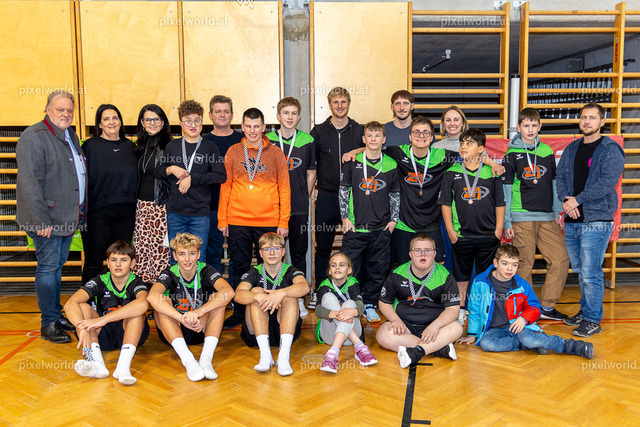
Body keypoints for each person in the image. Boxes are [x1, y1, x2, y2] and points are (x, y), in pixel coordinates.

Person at [16, 90, 87, 343]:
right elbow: (29, 183)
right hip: (46, 221)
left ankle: (54, 315)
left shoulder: (70, 134)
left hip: (66, 218)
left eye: (69, 110)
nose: (66, 114)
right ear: (48, 110)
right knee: (48, 268)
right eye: (60, 109)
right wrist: (41, 221)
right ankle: (48, 324)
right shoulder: (33, 136)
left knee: (56, 268)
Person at [556, 103, 625, 337]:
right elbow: (561, 178)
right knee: (581, 270)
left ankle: (593, 319)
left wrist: (577, 200)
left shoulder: (610, 149)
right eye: (584, 117)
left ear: (602, 122)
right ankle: (586, 311)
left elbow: (607, 183)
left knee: (590, 272)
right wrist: (567, 201)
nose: (587, 121)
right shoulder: (572, 148)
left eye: (592, 118)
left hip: (596, 220)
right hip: (573, 219)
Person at [218, 108, 291, 328]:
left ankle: (270, 310)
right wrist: (223, 219)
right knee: (239, 265)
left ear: (264, 127)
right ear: (242, 127)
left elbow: (284, 188)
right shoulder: (233, 151)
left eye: (256, 126)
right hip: (237, 220)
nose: (252, 131)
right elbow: (226, 186)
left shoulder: (276, 153)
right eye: (248, 126)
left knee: (269, 266)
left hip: (268, 220)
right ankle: (240, 311)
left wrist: (283, 221)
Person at [457, 244, 594, 359]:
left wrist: (523, 319)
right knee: (487, 344)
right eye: (505, 263)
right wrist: (472, 334)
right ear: (495, 263)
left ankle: (570, 346)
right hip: (494, 330)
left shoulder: (522, 286)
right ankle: (525, 344)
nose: (509, 269)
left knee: (529, 338)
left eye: (514, 265)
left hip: (518, 326)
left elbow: (535, 308)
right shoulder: (480, 281)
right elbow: (474, 310)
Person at [502, 108, 570, 320]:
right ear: (519, 127)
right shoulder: (510, 155)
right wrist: (507, 221)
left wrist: (557, 211)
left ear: (540, 126)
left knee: (560, 259)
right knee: (524, 263)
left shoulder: (547, 151)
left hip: (547, 216)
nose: (530, 129)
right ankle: (528, 308)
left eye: (534, 125)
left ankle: (547, 306)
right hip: (521, 217)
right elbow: (505, 189)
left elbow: (554, 183)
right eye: (526, 125)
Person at [439, 128, 505, 323]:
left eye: (469, 143)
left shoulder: (492, 172)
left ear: (481, 149)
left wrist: (498, 230)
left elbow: (500, 203)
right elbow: (445, 204)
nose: (463, 147)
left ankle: (485, 308)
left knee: (487, 275)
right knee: (461, 275)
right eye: (462, 143)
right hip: (462, 235)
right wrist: (450, 230)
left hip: (488, 235)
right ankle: (460, 310)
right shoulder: (451, 173)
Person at [148, 233, 234, 381]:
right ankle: (188, 360)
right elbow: (152, 296)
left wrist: (199, 312)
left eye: (192, 253)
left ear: (199, 254)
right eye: (182, 254)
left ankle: (206, 359)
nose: (187, 259)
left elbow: (229, 292)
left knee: (218, 299)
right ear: (175, 256)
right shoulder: (169, 273)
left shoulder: (206, 270)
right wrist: (180, 318)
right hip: (174, 328)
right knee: (161, 302)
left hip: (200, 327)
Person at [64, 240, 149, 385]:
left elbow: (143, 304)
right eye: (113, 260)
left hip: (128, 334)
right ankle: (97, 365)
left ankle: (123, 368)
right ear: (108, 263)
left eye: (124, 260)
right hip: (102, 335)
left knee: (137, 313)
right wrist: (81, 327)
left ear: (133, 263)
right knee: (83, 307)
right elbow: (70, 304)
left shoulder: (136, 282)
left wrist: (103, 319)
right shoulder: (100, 280)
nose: (118, 264)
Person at [339, 121, 400, 322]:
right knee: (350, 269)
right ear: (364, 139)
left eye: (377, 135)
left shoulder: (391, 164)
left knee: (378, 269)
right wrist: (345, 217)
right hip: (355, 228)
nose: (374, 139)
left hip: (381, 228)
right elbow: (344, 190)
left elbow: (395, 194)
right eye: (370, 135)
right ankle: (352, 303)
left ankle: (370, 304)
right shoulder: (352, 161)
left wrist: (394, 219)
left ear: (384, 139)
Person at [310, 87, 364, 310]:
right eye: (336, 102)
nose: (340, 106)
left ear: (349, 104)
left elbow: (374, 148)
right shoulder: (318, 131)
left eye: (343, 102)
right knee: (323, 248)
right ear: (330, 104)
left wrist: (357, 150)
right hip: (327, 197)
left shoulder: (360, 129)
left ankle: (353, 294)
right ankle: (320, 292)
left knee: (354, 249)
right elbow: (311, 165)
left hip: (354, 198)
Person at [376, 234, 462, 368]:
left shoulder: (445, 276)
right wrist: (395, 320)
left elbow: (453, 309)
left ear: (434, 254)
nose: (423, 254)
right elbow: (384, 302)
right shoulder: (397, 274)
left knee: (457, 328)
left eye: (427, 250)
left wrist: (435, 326)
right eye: (417, 250)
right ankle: (438, 349)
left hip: (434, 326)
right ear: (410, 254)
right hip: (405, 326)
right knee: (382, 335)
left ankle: (417, 351)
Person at [156, 100, 226, 263]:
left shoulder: (210, 147)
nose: (193, 125)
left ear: (202, 122)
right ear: (181, 123)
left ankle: (198, 282)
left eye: (197, 120)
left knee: (198, 259)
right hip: (175, 213)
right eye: (188, 121)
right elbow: (158, 171)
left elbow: (220, 175)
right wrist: (171, 168)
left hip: (200, 214)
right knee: (176, 258)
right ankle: (177, 282)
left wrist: (192, 178)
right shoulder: (172, 146)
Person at [266, 97, 316, 316]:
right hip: (271, 208)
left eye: (294, 113)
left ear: (299, 116)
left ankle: (298, 299)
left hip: (298, 207)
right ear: (278, 116)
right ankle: (272, 296)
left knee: (298, 253)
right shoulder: (267, 140)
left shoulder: (307, 140)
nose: (289, 117)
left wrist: (302, 195)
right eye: (285, 113)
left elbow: (311, 173)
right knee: (272, 253)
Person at [233, 232, 309, 376]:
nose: (272, 252)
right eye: (267, 249)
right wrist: (258, 297)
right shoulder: (255, 272)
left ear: (283, 251)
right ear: (261, 253)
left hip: (283, 330)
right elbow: (238, 295)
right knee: (255, 291)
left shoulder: (290, 270)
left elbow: (304, 287)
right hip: (256, 333)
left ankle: (283, 357)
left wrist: (281, 293)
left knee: (290, 295)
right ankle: (265, 355)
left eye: (276, 248)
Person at [81, 104, 137, 284]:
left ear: (120, 122)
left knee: (120, 261)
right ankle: (89, 299)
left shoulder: (131, 147)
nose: (111, 122)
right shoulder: (89, 146)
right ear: (99, 124)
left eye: (115, 118)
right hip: (97, 213)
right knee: (94, 260)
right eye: (106, 119)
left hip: (126, 214)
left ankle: (117, 297)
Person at [202, 95, 244, 278]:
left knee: (238, 255)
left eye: (226, 111)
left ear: (232, 115)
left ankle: (237, 293)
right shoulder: (202, 141)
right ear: (210, 115)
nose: (222, 115)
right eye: (218, 111)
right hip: (210, 206)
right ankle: (215, 291)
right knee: (212, 254)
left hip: (238, 207)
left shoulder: (243, 140)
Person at [315, 252, 377, 374]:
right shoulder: (324, 285)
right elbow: (317, 310)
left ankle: (333, 354)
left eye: (342, 265)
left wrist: (353, 311)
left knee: (350, 303)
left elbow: (360, 306)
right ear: (329, 271)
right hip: (330, 336)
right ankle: (359, 347)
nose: (337, 268)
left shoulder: (352, 282)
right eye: (333, 265)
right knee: (328, 297)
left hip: (349, 338)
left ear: (349, 270)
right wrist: (332, 314)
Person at [132, 104, 172, 284]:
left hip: (161, 207)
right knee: (142, 252)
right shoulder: (139, 147)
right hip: (141, 207)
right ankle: (144, 293)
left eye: (156, 119)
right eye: (148, 119)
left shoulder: (170, 146)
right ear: (142, 123)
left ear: (163, 122)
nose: (152, 123)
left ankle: (161, 293)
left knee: (160, 253)